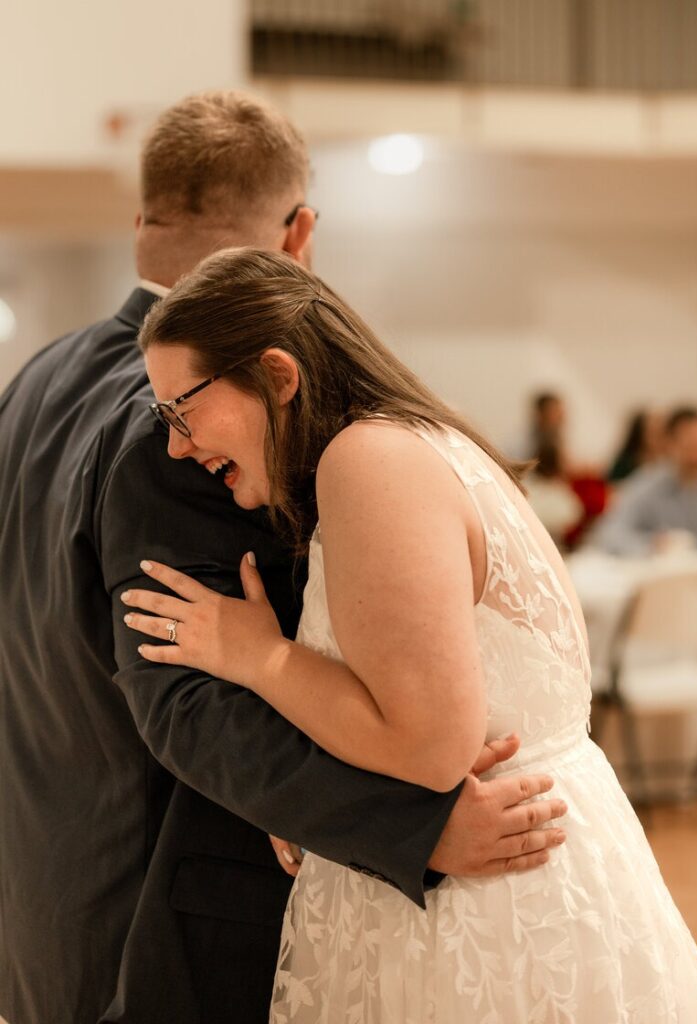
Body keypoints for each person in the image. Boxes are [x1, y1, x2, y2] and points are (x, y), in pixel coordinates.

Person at [0, 91, 565, 1024]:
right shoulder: (176, 419)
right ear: (300, 232)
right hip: (162, 911)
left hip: (46, 900)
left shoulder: (39, 379)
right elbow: (185, 699)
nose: (184, 439)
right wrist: (411, 826)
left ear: (141, 222)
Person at [124, 248, 697, 1022]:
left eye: (181, 409)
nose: (175, 444)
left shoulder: (367, 460)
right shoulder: (415, 442)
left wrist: (258, 656)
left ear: (277, 375)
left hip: (487, 911)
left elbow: (429, 746)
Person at [597, 406, 697, 556]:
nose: (695, 454)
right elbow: (611, 533)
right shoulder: (646, 485)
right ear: (670, 444)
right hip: (664, 566)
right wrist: (651, 544)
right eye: (688, 444)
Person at [606, 408, 666, 484]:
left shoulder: (667, 464)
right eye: (653, 433)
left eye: (661, 433)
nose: (658, 438)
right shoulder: (625, 464)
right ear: (641, 434)